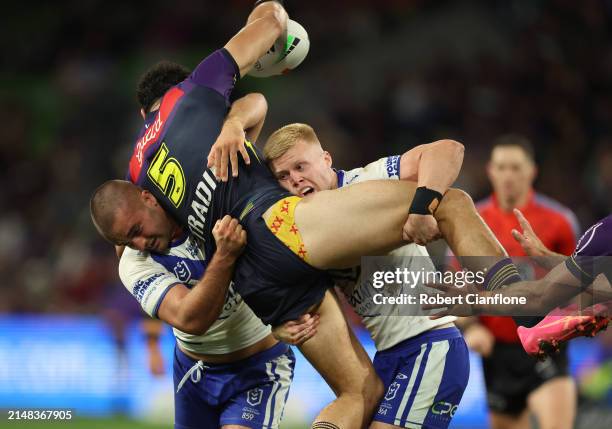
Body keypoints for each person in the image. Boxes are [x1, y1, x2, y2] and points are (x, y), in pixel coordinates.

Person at [91, 1, 524, 426]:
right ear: (182, 87)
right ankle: (528, 303)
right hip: (282, 226)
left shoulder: (140, 177)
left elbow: (136, 233)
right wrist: (265, 42)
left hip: (258, 286)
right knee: (448, 203)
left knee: (357, 392)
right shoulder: (195, 96)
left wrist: (273, 328)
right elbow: (272, 19)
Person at [263, 123, 470, 429]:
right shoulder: (304, 232)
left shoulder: (369, 179)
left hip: (431, 345)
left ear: (326, 160)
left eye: (300, 166)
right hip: (387, 356)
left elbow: (449, 150)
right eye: (284, 176)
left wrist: (423, 207)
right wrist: (280, 328)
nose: (295, 179)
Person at [120, 214, 297, 429]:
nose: (138, 243)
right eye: (127, 240)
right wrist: (152, 347)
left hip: (257, 367)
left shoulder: (218, 210)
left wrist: (288, 311)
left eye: (135, 231)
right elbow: (180, 317)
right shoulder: (138, 261)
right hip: (193, 369)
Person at [459, 136, 579, 429]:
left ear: (531, 172)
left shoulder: (559, 221)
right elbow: (459, 286)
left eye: (516, 167)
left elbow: (580, 286)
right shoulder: (471, 221)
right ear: (490, 171)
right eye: (501, 167)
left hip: (546, 346)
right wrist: (471, 327)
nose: (508, 175)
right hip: (497, 353)